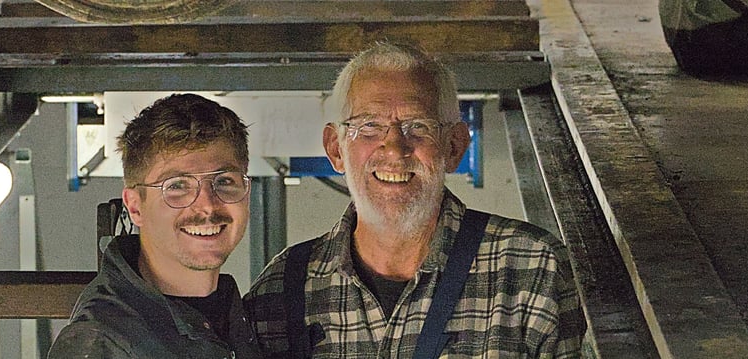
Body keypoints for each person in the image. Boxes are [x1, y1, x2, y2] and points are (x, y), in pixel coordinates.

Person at [243, 42, 586, 358]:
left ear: (454, 146)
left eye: (417, 127)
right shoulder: (280, 289)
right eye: (369, 127)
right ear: (336, 149)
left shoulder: (533, 269)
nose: (394, 148)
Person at [49, 94, 264, 358]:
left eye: (224, 181)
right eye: (177, 186)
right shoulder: (105, 343)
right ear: (136, 206)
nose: (207, 205)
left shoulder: (236, 316)